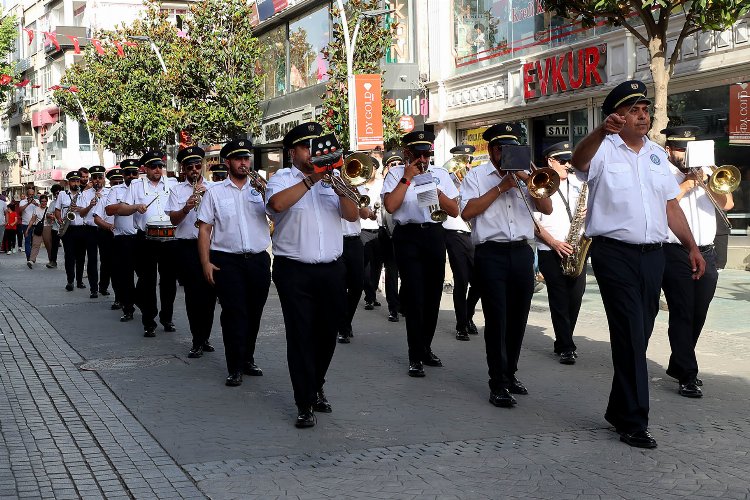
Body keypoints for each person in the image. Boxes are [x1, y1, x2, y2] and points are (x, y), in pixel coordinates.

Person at [571, 80, 705, 449]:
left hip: (654, 255)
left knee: (639, 334)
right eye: (633, 110)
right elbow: (579, 162)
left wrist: (690, 245)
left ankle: (618, 408)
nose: (642, 116)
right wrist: (600, 131)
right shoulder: (603, 149)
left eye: (645, 109)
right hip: (614, 253)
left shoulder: (657, 154)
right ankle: (633, 421)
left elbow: (670, 204)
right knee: (630, 331)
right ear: (616, 116)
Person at [266, 122, 359, 428]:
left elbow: (352, 214)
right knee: (301, 335)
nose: (313, 152)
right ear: (292, 152)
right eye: (306, 147)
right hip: (294, 270)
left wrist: (337, 183)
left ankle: (316, 384)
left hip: (331, 268)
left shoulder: (332, 180)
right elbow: (276, 205)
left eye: (316, 146)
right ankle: (304, 401)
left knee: (328, 333)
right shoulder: (281, 179)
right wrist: (311, 180)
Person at [460, 123, 553, 408]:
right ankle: (497, 382)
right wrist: (501, 187)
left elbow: (547, 208)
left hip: (522, 253)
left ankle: (510, 373)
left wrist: (529, 181)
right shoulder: (476, 176)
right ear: (490, 150)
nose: (505, 154)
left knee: (518, 319)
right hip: (491, 254)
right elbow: (467, 212)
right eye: (501, 149)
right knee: (497, 320)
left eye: (511, 149)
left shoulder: (527, 177)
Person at [660, 125, 732, 398]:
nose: (685, 153)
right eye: (680, 148)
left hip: (708, 251)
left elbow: (727, 205)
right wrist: (687, 184)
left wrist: (708, 180)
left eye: (689, 148)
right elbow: (661, 206)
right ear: (669, 150)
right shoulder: (664, 172)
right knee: (682, 310)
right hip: (675, 251)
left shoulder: (708, 172)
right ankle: (688, 375)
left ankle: (680, 363)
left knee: (699, 311)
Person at [382, 130, 460, 377]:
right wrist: (407, 178)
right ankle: (415, 354)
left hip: (434, 234)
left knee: (433, 296)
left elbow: (455, 211)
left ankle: (425, 347)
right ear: (407, 154)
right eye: (418, 154)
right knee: (415, 297)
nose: (423, 159)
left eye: (426, 154)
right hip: (408, 236)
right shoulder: (395, 174)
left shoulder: (440, 174)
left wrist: (436, 191)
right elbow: (391, 207)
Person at [534, 141, 588, 365]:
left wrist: (589, 212)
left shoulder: (579, 183)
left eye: (570, 161)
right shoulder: (539, 183)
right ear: (550, 161)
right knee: (558, 297)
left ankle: (562, 339)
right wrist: (554, 243)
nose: (568, 165)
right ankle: (566, 346)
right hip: (550, 248)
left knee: (575, 297)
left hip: (576, 247)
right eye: (563, 161)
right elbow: (533, 222)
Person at [118, 151, 179, 337]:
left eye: (160, 166)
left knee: (168, 281)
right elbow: (122, 209)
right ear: (145, 169)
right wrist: (135, 207)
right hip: (146, 239)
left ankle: (167, 317)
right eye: (153, 167)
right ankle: (149, 321)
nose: (158, 170)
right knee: (147, 281)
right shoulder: (136, 185)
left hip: (169, 238)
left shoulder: (173, 183)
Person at [168, 146, 217, 359]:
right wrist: (186, 207)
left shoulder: (214, 188)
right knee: (192, 295)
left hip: (211, 246)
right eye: (190, 167)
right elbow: (173, 220)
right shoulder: (177, 190)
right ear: (183, 169)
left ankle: (205, 336)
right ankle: (196, 340)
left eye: (198, 166)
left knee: (209, 295)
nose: (195, 170)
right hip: (187, 246)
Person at [443, 144, 481, 341]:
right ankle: (461, 326)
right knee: (461, 281)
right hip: (455, 233)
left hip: (474, 233)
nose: (466, 164)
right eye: (463, 160)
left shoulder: (475, 178)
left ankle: (468, 316)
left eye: (469, 160)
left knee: (480, 282)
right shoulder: (446, 179)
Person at [106, 160, 140, 321]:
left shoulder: (143, 187)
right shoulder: (116, 189)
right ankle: (128, 308)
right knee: (126, 277)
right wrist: (124, 206)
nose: (131, 176)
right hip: (123, 238)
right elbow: (109, 209)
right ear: (123, 174)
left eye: (134, 173)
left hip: (141, 237)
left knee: (145, 276)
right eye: (128, 173)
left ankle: (140, 301)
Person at [337, 181, 370, 344]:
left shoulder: (357, 185)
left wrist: (355, 191)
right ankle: (342, 327)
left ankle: (345, 321)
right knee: (340, 287)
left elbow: (364, 214)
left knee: (357, 285)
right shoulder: (330, 183)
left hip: (355, 240)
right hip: (336, 240)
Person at [375, 150, 403, 322]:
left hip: (403, 232)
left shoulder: (405, 183)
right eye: (392, 165)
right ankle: (393, 307)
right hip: (385, 232)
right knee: (391, 272)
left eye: (399, 164)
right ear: (386, 168)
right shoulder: (379, 184)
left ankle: (404, 303)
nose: (396, 167)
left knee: (407, 272)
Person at [77, 166, 110, 298]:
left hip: (104, 229)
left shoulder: (110, 192)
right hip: (90, 229)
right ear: (91, 179)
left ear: (103, 179)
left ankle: (103, 286)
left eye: (100, 178)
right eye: (94, 178)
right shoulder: (85, 194)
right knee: (92, 259)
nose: (97, 180)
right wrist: (90, 205)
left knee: (106, 259)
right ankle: (93, 288)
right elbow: (81, 214)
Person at [93, 168, 123, 309]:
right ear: (110, 183)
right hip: (108, 234)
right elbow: (97, 219)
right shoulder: (105, 197)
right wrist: (109, 227)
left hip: (126, 236)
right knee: (112, 265)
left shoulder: (132, 194)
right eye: (114, 182)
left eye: (120, 181)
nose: (117, 184)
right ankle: (117, 297)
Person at [54, 171, 87, 291]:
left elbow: (86, 211)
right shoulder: (62, 194)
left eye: (77, 181)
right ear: (68, 183)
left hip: (81, 228)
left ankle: (79, 281)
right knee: (69, 256)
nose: (76, 183)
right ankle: (70, 281)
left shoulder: (83, 194)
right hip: (68, 228)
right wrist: (59, 219)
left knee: (81, 256)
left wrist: (78, 208)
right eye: (73, 181)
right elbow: (57, 210)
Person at [24, 194, 52, 268]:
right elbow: (32, 220)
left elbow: (53, 219)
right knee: (35, 244)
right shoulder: (36, 209)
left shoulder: (49, 209)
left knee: (48, 245)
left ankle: (51, 260)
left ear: (47, 202)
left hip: (47, 228)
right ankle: (32, 260)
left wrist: (52, 217)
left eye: (45, 201)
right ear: (40, 202)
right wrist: (27, 230)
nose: (44, 203)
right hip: (38, 228)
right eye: (42, 201)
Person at [45, 184, 63, 268]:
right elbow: (48, 213)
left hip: (67, 227)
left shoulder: (66, 201)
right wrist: (50, 216)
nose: (57, 195)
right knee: (54, 246)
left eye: (59, 193)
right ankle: (53, 261)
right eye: (55, 193)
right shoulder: (53, 203)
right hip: (56, 227)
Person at [18, 186, 37, 261]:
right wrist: (28, 203)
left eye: (32, 194)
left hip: (35, 224)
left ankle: (33, 256)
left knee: (34, 242)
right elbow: (20, 210)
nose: (31, 196)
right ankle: (29, 257)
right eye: (29, 194)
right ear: (27, 194)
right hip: (25, 224)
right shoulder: (23, 201)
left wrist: (35, 204)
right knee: (27, 241)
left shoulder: (37, 201)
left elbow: (41, 209)